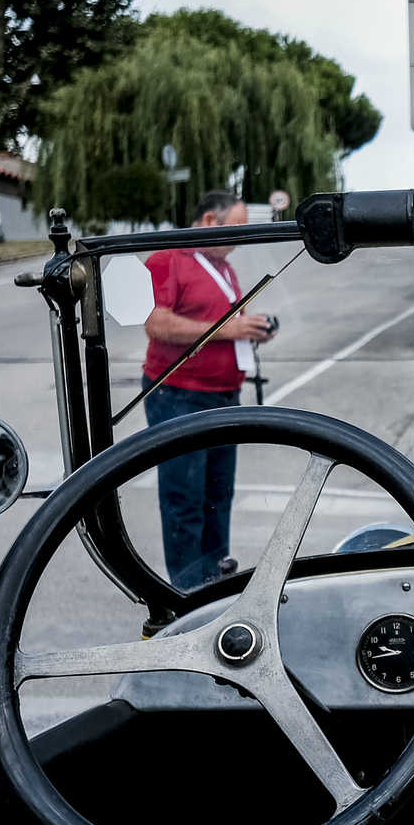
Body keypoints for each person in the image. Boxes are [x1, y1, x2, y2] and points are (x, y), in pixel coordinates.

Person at [140, 190, 274, 589]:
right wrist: (228, 330)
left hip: (221, 394)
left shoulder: (223, 267)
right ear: (210, 221)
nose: (242, 236)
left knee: (218, 493)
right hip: (179, 394)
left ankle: (215, 579)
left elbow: (221, 322)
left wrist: (251, 330)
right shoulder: (168, 258)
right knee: (185, 496)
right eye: (237, 226)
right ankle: (186, 587)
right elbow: (156, 322)